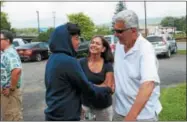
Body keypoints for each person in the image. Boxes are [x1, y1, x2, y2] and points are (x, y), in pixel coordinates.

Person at [44, 23, 112, 121]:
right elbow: (87, 88)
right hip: (66, 116)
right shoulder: (69, 61)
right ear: (66, 40)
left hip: (53, 113)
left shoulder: (52, 58)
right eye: (76, 38)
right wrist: (107, 89)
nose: (79, 42)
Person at [112, 10, 162, 121]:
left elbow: (148, 84)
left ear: (133, 31)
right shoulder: (120, 45)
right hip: (120, 111)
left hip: (141, 116)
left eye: (119, 31)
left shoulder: (145, 49)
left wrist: (131, 117)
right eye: (114, 30)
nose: (116, 34)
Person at [79, 35, 115, 121]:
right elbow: (78, 84)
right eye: (92, 42)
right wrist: (100, 86)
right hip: (86, 107)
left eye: (97, 43)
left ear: (103, 49)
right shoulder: (81, 63)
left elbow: (109, 88)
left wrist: (87, 86)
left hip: (104, 108)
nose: (94, 45)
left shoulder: (107, 65)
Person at [0, 30, 23, 121]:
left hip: (10, 93)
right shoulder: (6, 53)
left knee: (12, 117)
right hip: (6, 92)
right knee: (8, 116)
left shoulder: (9, 53)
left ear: (7, 40)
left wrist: (11, 88)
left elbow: (16, 70)